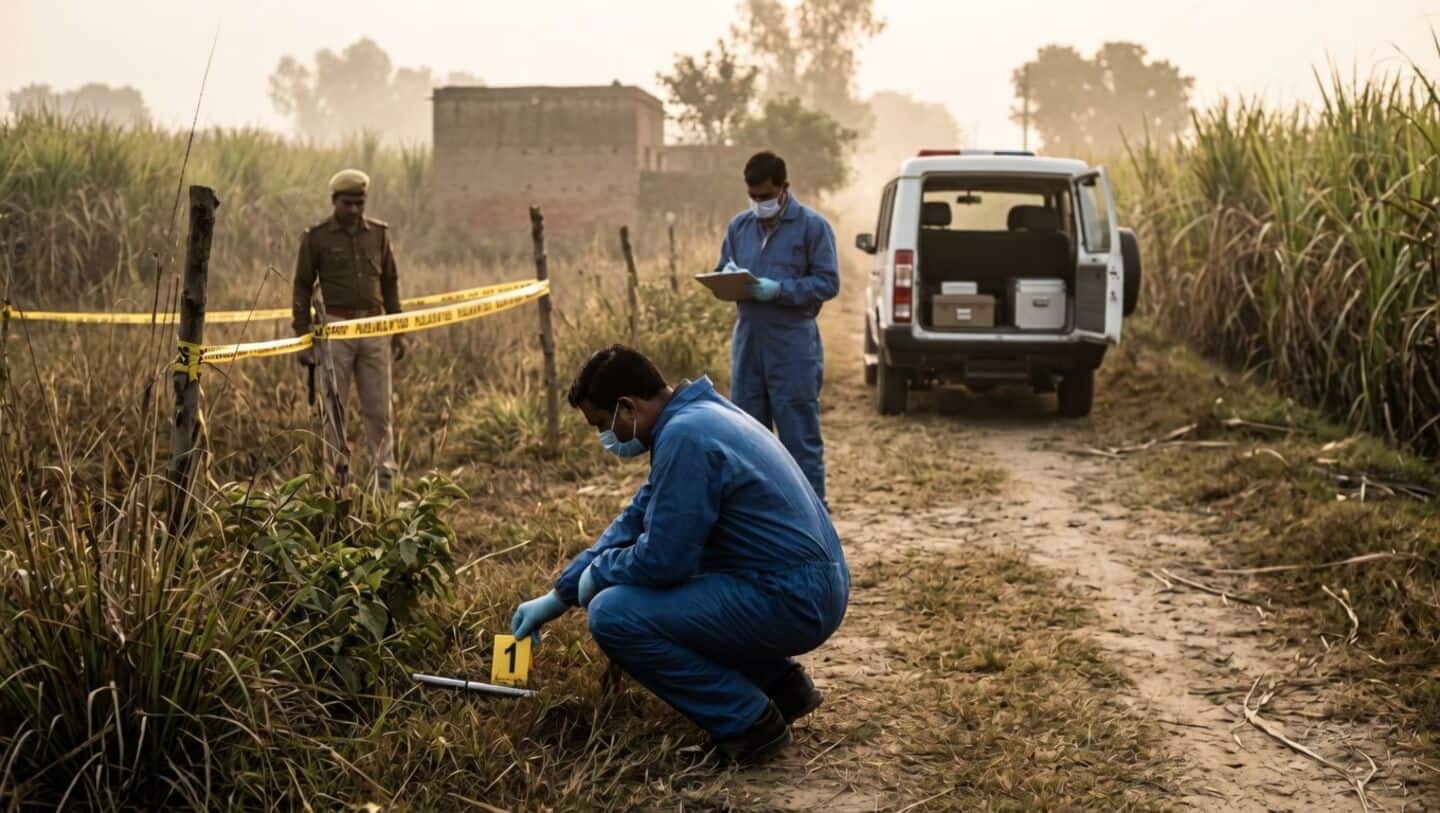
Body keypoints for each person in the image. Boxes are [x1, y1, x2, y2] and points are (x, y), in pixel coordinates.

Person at [510, 345, 849, 766]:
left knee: (614, 613)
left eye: (601, 423)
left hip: (794, 597)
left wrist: (602, 574)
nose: (605, 437)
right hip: (808, 585)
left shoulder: (686, 438)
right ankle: (781, 687)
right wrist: (559, 594)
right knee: (680, 579)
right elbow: (634, 519)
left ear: (627, 407)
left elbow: (664, 561)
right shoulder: (699, 416)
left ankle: (748, 723)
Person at [715, 151, 839, 505]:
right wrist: (725, 277)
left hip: (793, 347)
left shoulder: (812, 227)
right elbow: (723, 265)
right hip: (748, 343)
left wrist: (781, 290)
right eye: (753, 197)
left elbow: (828, 282)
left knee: (799, 438)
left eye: (766, 197)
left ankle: (812, 519)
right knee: (747, 439)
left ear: (784, 188)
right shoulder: (739, 227)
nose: (759, 203)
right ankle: (758, 517)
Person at [292, 168, 409, 491]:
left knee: (379, 409)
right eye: (348, 203)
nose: (355, 210)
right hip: (336, 331)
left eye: (360, 203)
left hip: (374, 327)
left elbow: (390, 283)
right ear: (334, 202)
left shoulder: (378, 235)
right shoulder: (316, 238)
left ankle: (384, 480)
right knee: (335, 408)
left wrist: (398, 329)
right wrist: (303, 339)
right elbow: (302, 288)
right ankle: (337, 479)